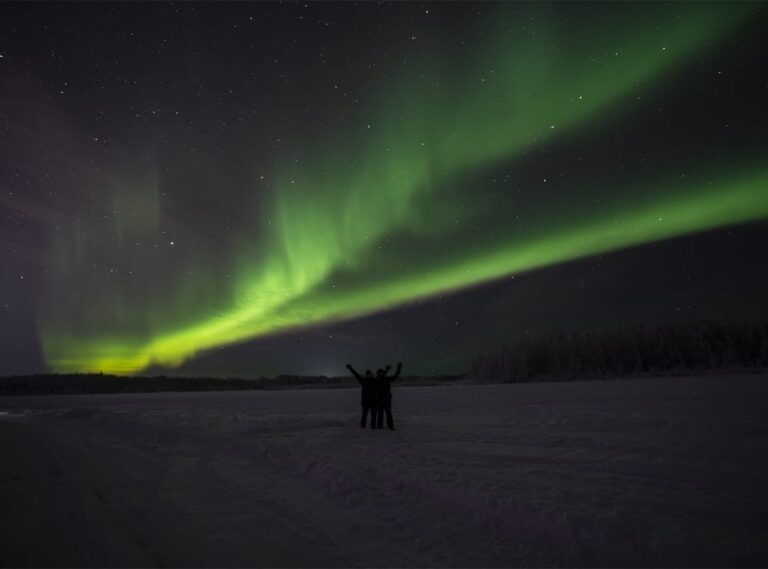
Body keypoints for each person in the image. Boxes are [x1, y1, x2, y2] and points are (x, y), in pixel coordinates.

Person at [346, 363, 377, 428]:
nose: (368, 375)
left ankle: (373, 427)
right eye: (367, 374)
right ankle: (363, 427)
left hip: (373, 402)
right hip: (365, 402)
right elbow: (356, 375)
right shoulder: (363, 381)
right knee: (364, 416)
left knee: (373, 416)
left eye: (369, 374)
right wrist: (351, 369)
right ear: (366, 375)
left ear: (371, 374)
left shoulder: (374, 381)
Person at [376, 362, 402, 430]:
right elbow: (380, 378)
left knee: (388, 413)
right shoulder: (377, 380)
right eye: (379, 373)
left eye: (381, 373)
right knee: (380, 413)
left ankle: (390, 425)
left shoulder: (386, 379)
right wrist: (386, 369)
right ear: (378, 374)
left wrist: (399, 368)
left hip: (387, 399)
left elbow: (395, 376)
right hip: (380, 399)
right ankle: (380, 425)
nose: (381, 374)